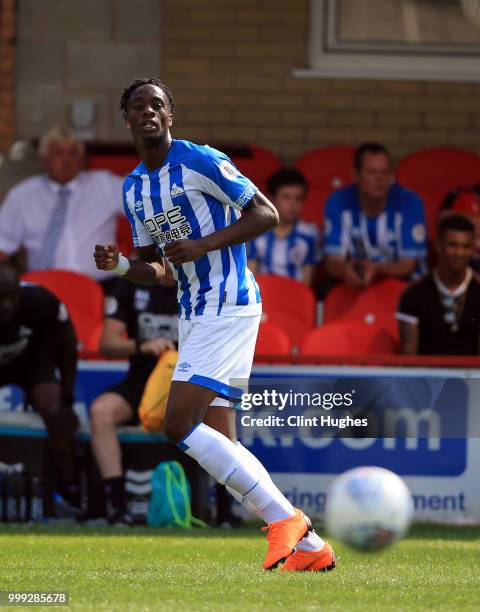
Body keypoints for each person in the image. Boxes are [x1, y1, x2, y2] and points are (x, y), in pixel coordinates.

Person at [94, 78, 335, 572]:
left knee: (177, 424)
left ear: (170, 116)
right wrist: (120, 265)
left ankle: (285, 522)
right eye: (138, 106)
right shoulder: (134, 188)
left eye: (157, 105)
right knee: (222, 441)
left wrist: (205, 245)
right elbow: (159, 271)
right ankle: (311, 549)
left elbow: (265, 215)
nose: (149, 113)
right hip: (195, 310)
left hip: (228, 302)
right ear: (127, 120)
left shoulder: (201, 160)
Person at [89, 273, 178, 524]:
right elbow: (107, 343)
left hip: (183, 385)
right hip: (141, 383)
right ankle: (117, 506)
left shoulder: (196, 283)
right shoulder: (132, 283)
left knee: (218, 412)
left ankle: (223, 509)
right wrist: (142, 345)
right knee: (101, 411)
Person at [0, 126, 124, 294]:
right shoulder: (22, 195)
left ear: (82, 159)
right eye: (58, 154)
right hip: (44, 290)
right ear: (44, 160)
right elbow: (3, 244)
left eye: (72, 153)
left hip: (102, 287)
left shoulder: (104, 184)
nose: (66, 161)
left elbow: (151, 209)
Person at [0, 263, 80, 512]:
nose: (6, 305)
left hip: (31, 358)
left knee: (55, 409)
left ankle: (71, 488)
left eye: (12, 297)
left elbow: (68, 343)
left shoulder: (42, 301)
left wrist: (67, 392)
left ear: (19, 292)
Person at [324, 142, 427, 290]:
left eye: (385, 172)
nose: (379, 178)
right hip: (355, 282)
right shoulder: (338, 201)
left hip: (403, 283)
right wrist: (346, 270)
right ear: (355, 175)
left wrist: (377, 269)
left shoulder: (409, 202)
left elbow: (408, 265)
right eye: (371, 172)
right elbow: (333, 262)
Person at [396, 214, 480, 355]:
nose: (460, 253)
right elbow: (408, 357)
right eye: (452, 245)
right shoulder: (414, 294)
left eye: (466, 246)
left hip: (471, 376)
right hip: (426, 375)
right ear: (438, 245)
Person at [248, 168, 320, 286]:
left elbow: (307, 282)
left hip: (296, 297)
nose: (292, 204)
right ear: (272, 199)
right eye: (286, 197)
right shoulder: (257, 232)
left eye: (298, 198)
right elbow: (251, 275)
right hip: (264, 296)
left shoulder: (309, 234)